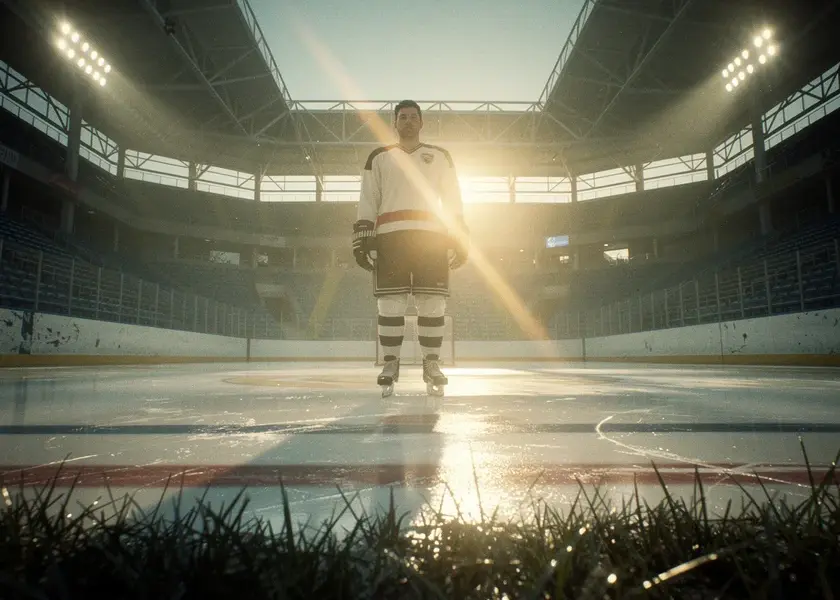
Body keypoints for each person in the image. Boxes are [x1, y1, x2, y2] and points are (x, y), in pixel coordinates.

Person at [352, 99, 468, 391]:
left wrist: (460, 235)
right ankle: (391, 362)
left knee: (433, 303)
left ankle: (432, 363)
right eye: (402, 117)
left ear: (421, 122)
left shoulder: (440, 156)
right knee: (390, 304)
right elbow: (368, 200)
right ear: (394, 122)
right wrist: (363, 238)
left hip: (432, 239)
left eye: (413, 117)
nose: (408, 121)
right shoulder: (378, 157)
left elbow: (452, 198)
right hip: (391, 239)